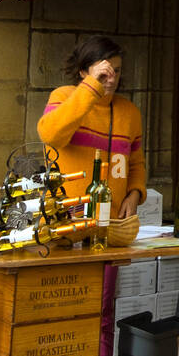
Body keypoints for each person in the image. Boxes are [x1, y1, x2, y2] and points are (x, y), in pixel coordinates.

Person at [37, 35, 146, 219]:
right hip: (64, 221)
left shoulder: (130, 113)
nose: (111, 79)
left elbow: (135, 163)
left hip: (111, 224)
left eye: (116, 71)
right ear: (83, 72)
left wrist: (135, 193)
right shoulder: (63, 96)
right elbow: (50, 135)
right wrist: (91, 87)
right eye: (104, 73)